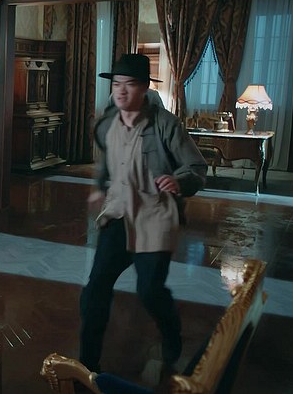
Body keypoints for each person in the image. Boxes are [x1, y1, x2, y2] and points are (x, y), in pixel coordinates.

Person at [80, 54, 207, 374]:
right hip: (118, 214)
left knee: (149, 290)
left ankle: (171, 332)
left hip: (154, 216)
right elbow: (108, 160)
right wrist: (100, 186)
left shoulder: (165, 124)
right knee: (95, 289)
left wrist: (178, 181)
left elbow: (196, 167)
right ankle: (87, 364)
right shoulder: (107, 123)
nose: (121, 91)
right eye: (116, 84)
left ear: (145, 88)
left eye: (130, 84)